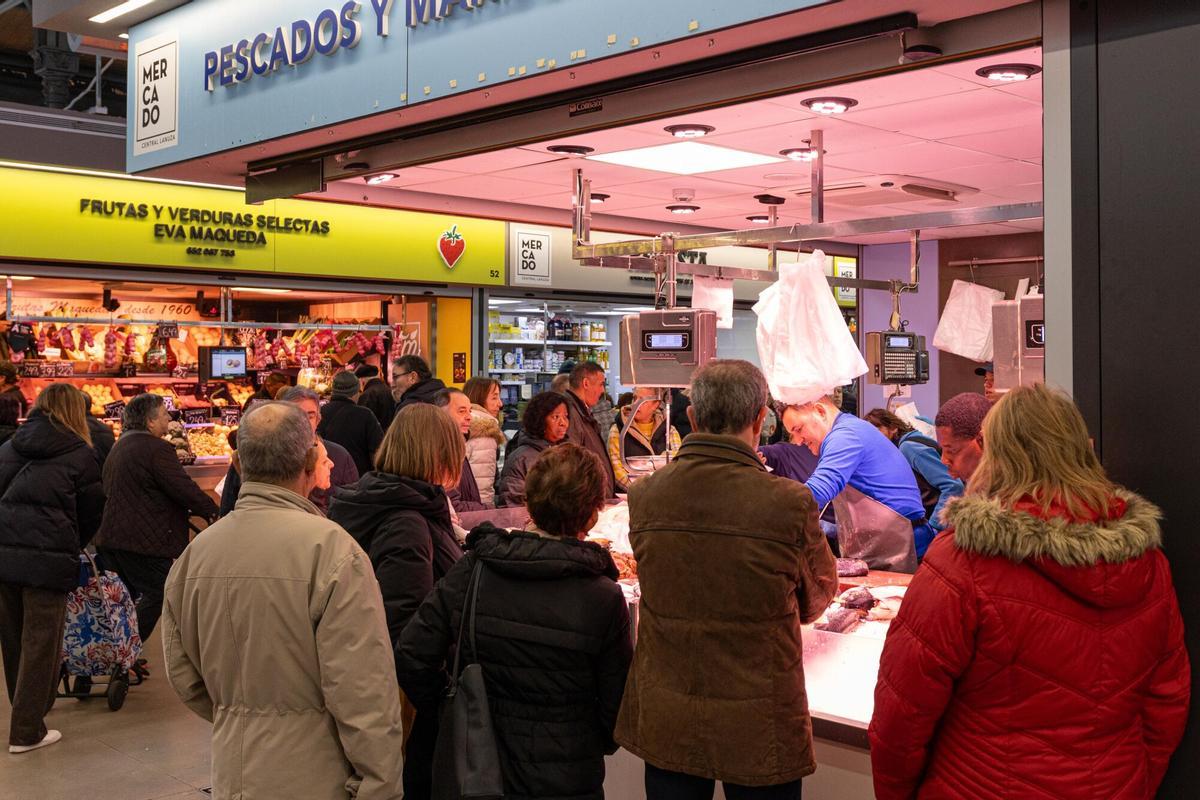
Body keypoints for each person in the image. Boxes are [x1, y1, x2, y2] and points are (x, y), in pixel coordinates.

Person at [870, 384, 1189, 800]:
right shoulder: (1148, 561)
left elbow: (902, 716)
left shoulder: (962, 561)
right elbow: (1167, 700)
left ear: (997, 455)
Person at [616, 360, 838, 799]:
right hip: (760, 723)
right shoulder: (789, 502)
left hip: (668, 717)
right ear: (760, 419)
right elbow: (816, 600)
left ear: (693, 418)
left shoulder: (646, 495)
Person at [161, 403, 404, 799]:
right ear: (310, 461)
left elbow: (185, 677)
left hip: (232, 771)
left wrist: (241, 715)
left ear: (237, 464)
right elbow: (363, 690)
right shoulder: (334, 552)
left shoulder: (195, 555)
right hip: (318, 774)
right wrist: (381, 783)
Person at [398, 443, 633, 800]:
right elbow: (618, 705)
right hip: (568, 775)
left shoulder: (473, 569)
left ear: (533, 501)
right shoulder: (603, 596)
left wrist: (452, 709)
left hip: (480, 763)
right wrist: (586, 740)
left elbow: (413, 656)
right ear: (592, 515)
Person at [328, 403, 465, 800]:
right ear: (438, 455)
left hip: (377, 689)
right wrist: (439, 697)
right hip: (406, 704)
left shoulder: (386, 501)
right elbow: (406, 626)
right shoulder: (406, 520)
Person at [0, 382, 105, 754]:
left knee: (13, 642)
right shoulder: (80, 454)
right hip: (48, 561)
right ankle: (27, 730)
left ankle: (25, 714)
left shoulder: (8, 448)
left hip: (5, 559)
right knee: (42, 644)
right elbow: (94, 509)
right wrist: (72, 543)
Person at [93, 393, 219, 646]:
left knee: (123, 600)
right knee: (160, 591)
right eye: (163, 415)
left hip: (115, 536)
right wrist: (212, 509)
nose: (168, 419)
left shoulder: (122, 445)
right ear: (150, 422)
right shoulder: (157, 449)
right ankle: (125, 650)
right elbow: (181, 487)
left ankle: (112, 654)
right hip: (142, 541)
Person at [781, 395, 933, 568]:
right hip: (889, 544)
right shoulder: (852, 427)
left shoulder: (844, 436)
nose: (798, 441)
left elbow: (816, 492)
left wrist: (767, 514)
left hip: (904, 547)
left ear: (820, 411)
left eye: (799, 429)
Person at [219, 386, 358, 516]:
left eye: (310, 415)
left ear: (318, 419)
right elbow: (228, 507)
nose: (304, 422)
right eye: (296, 416)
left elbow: (352, 507)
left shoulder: (339, 456)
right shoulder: (254, 453)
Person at [865, 408, 964, 531]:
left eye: (876, 430)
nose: (873, 437)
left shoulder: (909, 448)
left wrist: (933, 527)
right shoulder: (902, 447)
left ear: (893, 428)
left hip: (943, 525)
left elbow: (953, 486)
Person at [496, 391, 570, 507]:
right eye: (555, 417)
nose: (563, 423)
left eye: (565, 416)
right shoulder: (521, 459)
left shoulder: (567, 453)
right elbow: (511, 505)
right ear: (540, 420)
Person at [607, 386, 682, 491]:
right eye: (635, 398)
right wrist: (642, 492)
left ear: (655, 404)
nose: (635, 404)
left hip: (664, 494)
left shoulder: (670, 430)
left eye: (642, 400)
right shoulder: (618, 430)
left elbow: (677, 461)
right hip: (631, 498)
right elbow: (618, 472)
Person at [563, 361, 618, 498]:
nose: (602, 391)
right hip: (586, 501)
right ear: (586, 383)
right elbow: (571, 464)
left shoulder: (581, 410)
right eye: (601, 384)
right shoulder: (569, 412)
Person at [433, 387, 491, 512]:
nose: (469, 417)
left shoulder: (457, 446)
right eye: (461, 411)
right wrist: (488, 509)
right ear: (440, 413)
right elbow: (452, 507)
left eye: (469, 411)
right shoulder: (442, 451)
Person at [319, 371, 385, 476]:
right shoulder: (365, 415)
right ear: (355, 392)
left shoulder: (320, 413)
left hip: (327, 477)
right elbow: (379, 451)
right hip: (359, 480)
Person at [462, 376, 506, 507]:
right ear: (478, 398)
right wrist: (486, 511)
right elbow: (483, 489)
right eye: (494, 397)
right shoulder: (485, 434)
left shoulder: (463, 426)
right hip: (476, 510)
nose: (500, 403)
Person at [933, 392, 993, 484]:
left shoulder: (1014, 496)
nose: (944, 461)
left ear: (983, 441)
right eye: (943, 450)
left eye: (952, 451)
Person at [356, 363, 395, 431]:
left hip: (375, 436)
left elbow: (362, 422)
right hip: (390, 434)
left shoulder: (367, 394)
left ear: (362, 381)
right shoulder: (389, 390)